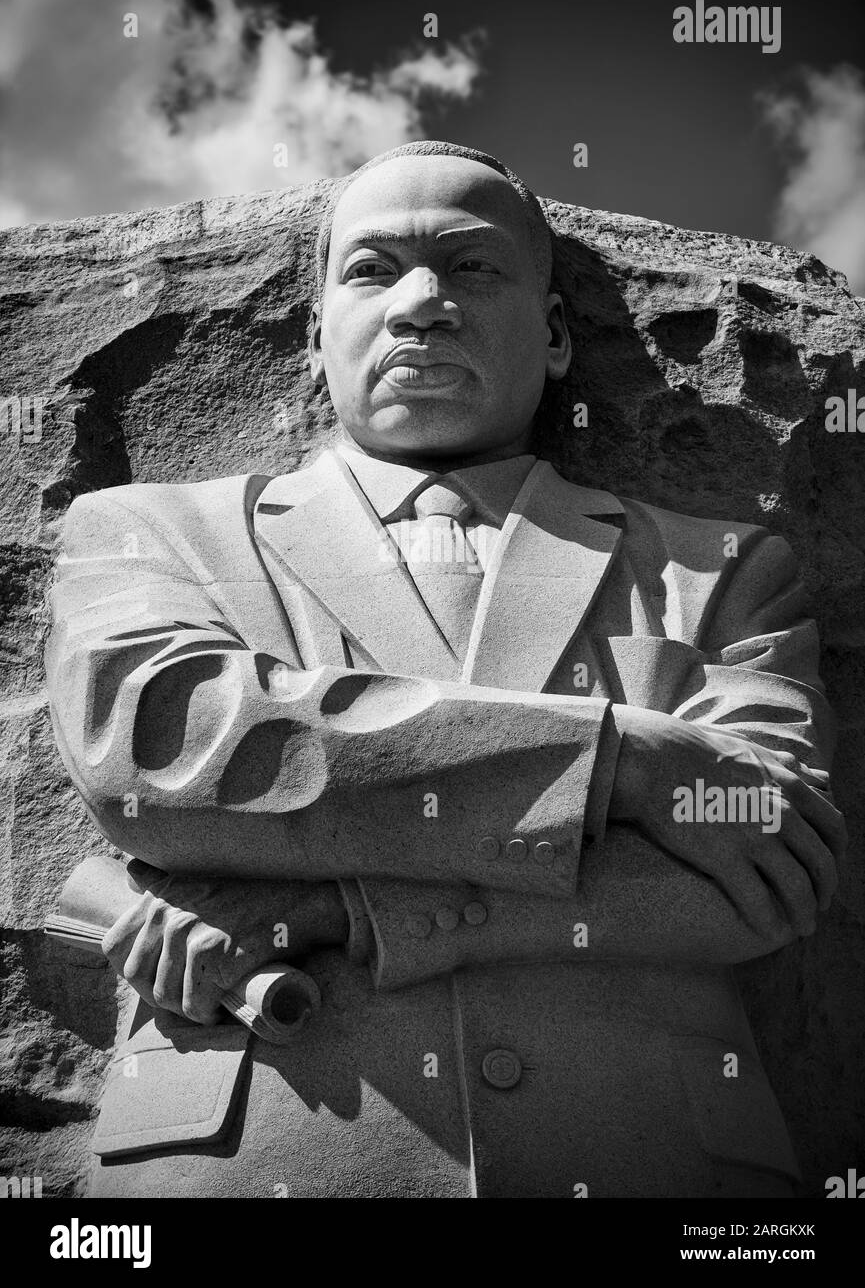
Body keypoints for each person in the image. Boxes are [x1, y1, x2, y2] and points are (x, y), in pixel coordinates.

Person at [45, 141, 845, 1198]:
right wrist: (617, 762)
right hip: (254, 1164)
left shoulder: (719, 570)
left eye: (471, 267)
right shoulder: (152, 532)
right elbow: (163, 747)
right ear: (314, 338)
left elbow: (768, 856)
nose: (422, 303)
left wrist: (345, 909)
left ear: (555, 334)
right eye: (372, 269)